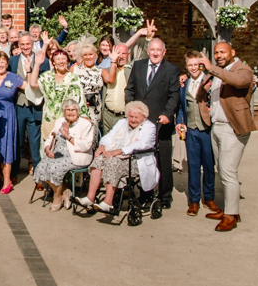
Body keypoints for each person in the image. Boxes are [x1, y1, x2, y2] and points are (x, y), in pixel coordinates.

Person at [202, 42, 254, 232]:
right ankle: (229, 209)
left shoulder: (242, 69)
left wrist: (211, 68)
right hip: (217, 126)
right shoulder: (220, 70)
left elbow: (239, 82)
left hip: (232, 128)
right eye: (216, 52)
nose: (218, 55)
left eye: (222, 52)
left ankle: (231, 216)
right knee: (222, 170)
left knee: (228, 171)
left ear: (233, 52)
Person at [125, 36, 180, 208]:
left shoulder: (171, 69)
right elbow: (130, 90)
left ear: (164, 52)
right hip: (140, 122)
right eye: (152, 50)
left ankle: (164, 196)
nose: (155, 53)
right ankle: (146, 194)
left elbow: (174, 96)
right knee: (144, 160)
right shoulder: (139, 66)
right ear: (148, 51)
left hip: (160, 121)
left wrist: (167, 114)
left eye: (159, 50)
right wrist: (131, 111)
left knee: (162, 159)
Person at [76, 101, 159, 213]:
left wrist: (119, 151)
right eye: (130, 116)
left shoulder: (149, 127)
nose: (133, 120)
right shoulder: (122, 122)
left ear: (144, 117)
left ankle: (108, 202)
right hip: (117, 156)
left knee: (112, 162)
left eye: (136, 117)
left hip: (136, 160)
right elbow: (109, 136)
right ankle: (90, 198)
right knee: (99, 159)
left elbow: (143, 144)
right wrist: (102, 146)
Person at [175, 50, 218, 217]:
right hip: (191, 130)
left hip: (206, 129)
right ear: (186, 66)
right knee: (193, 166)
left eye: (196, 65)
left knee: (208, 165)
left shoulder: (210, 80)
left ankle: (209, 198)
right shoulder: (183, 84)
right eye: (190, 65)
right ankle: (193, 200)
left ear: (201, 65)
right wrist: (180, 121)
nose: (193, 68)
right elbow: (181, 106)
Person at [34, 99, 95, 211]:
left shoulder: (85, 124)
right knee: (40, 168)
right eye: (68, 110)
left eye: (73, 110)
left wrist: (68, 136)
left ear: (78, 111)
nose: (70, 112)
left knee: (54, 169)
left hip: (75, 155)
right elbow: (50, 138)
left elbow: (86, 146)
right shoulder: (60, 121)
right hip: (57, 153)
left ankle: (57, 198)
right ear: (64, 111)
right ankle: (64, 191)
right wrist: (47, 149)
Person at [10, 32, 49, 181]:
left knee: (35, 142)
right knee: (17, 140)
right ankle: (14, 173)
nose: (25, 47)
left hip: (35, 106)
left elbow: (43, 83)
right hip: (19, 105)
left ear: (33, 45)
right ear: (19, 45)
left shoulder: (43, 61)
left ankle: (39, 177)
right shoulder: (12, 61)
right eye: (22, 44)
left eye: (28, 44)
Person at [0, 51, 27, 194]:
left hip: (8, 114)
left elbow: (30, 88)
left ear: (7, 63)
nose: (0, 64)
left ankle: (7, 181)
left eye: (3, 61)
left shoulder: (13, 78)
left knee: (6, 146)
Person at [29, 44, 82, 146]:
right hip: (50, 118)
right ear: (53, 62)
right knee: (48, 147)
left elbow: (80, 100)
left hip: (68, 118)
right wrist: (37, 64)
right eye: (58, 59)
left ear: (68, 62)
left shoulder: (74, 78)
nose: (61, 61)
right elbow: (33, 83)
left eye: (63, 59)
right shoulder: (47, 76)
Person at [75, 43, 110, 125]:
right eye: (85, 55)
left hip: (94, 107)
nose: (88, 57)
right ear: (82, 57)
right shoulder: (75, 69)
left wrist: (113, 61)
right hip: (78, 105)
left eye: (91, 54)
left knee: (92, 132)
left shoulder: (100, 71)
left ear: (95, 55)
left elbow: (111, 79)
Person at [102, 43, 130, 134]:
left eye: (123, 54)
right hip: (108, 115)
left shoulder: (132, 70)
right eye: (118, 53)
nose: (120, 56)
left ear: (128, 55)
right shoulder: (106, 70)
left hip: (124, 116)